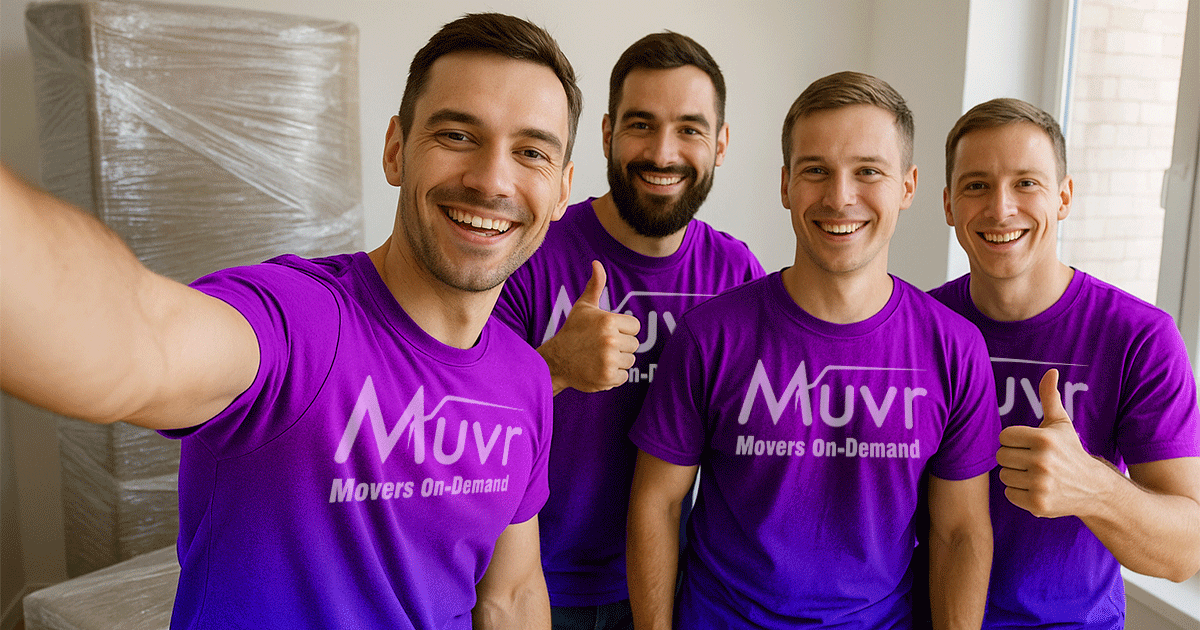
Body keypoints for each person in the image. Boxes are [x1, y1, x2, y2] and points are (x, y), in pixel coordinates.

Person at [0, 12, 583, 630]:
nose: (492, 180)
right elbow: (140, 338)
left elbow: (511, 594)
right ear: (396, 151)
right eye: (457, 135)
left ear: (562, 190)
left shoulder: (525, 379)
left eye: (531, 152)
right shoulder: (301, 323)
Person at [626, 71, 999, 629]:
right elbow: (657, 504)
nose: (840, 197)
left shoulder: (955, 349)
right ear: (785, 186)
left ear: (908, 186)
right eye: (816, 170)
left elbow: (961, 532)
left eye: (868, 171)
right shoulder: (710, 336)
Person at [493, 32, 764, 630]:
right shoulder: (531, 249)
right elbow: (465, 414)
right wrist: (555, 367)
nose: (663, 153)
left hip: (671, 582)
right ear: (607, 134)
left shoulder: (736, 273)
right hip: (524, 581)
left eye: (690, 129)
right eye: (641, 125)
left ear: (720, 144)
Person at [931, 97, 1200, 629]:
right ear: (948, 205)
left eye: (1026, 183)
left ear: (1064, 197)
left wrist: (1092, 487)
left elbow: (1183, 553)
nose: (1001, 208)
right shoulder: (920, 327)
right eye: (976, 185)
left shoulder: (1139, 337)